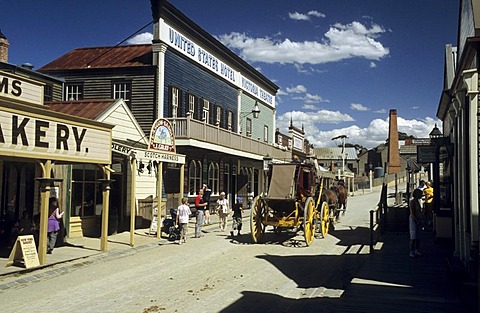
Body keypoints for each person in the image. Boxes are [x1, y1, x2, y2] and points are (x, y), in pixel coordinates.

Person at [409, 188, 423, 258]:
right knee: (413, 236)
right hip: (413, 220)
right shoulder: (412, 202)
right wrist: (416, 220)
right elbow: (412, 212)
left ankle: (416, 249)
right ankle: (411, 251)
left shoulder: (418, 201)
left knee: (418, 236)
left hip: (419, 219)